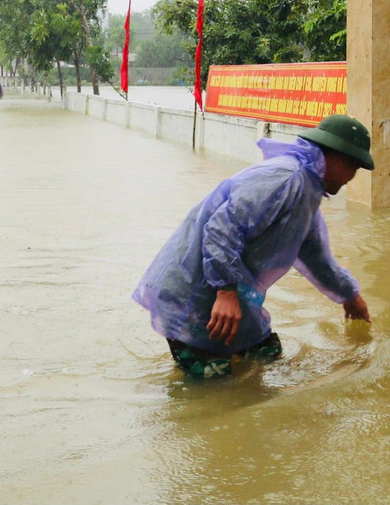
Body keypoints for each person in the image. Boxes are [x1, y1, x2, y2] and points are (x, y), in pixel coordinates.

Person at [132, 114, 375, 379]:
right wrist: (225, 292)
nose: (351, 178)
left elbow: (316, 256)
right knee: (216, 388)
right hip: (196, 295)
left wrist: (350, 296)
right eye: (354, 168)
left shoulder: (307, 191)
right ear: (339, 159)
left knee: (267, 354)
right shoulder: (285, 179)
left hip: (233, 300)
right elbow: (223, 228)